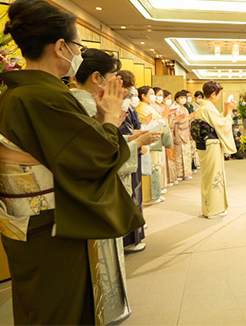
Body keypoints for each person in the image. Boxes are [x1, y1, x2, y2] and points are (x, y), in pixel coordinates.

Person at [0, 0, 144, 324]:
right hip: (52, 229)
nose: (78, 54)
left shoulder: (16, 94)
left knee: (37, 308)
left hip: (26, 226)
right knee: (62, 312)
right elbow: (95, 159)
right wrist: (110, 118)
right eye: (77, 45)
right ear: (61, 47)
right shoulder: (45, 97)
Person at [70, 48, 159, 324]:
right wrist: (135, 144)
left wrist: (130, 138)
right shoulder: (81, 106)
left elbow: (104, 146)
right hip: (90, 197)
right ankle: (104, 310)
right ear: (98, 78)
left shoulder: (85, 104)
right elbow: (98, 157)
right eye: (113, 78)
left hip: (96, 190)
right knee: (99, 261)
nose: (118, 85)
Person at [194, 81, 237, 218]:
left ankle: (209, 207)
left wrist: (225, 111)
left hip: (206, 145)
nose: (218, 98)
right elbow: (222, 125)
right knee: (214, 176)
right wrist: (229, 112)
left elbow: (217, 122)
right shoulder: (207, 108)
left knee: (209, 176)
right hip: (211, 145)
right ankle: (213, 210)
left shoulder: (205, 107)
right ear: (213, 94)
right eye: (218, 95)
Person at [117, 70, 147, 253]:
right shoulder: (111, 107)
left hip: (133, 151)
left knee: (135, 194)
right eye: (129, 86)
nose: (130, 91)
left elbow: (136, 127)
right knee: (128, 196)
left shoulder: (130, 108)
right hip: (125, 152)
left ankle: (135, 236)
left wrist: (141, 138)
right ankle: (127, 240)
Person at [173, 90, 193, 181]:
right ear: (177, 99)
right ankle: (179, 173)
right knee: (179, 154)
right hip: (179, 132)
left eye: (184, 98)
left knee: (187, 153)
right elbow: (176, 122)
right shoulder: (175, 109)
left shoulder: (184, 108)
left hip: (186, 132)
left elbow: (187, 121)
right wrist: (176, 135)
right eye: (181, 98)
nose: (184, 99)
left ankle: (187, 172)